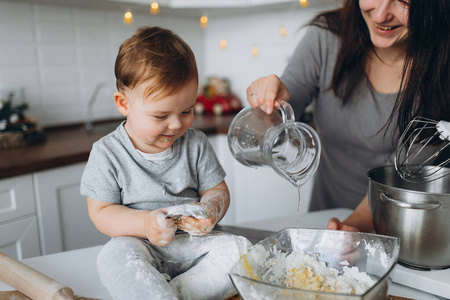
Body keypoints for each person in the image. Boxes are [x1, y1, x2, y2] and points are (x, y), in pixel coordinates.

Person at [246, 0, 450, 233]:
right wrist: (267, 103)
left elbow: (394, 181)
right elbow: (274, 119)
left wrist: (349, 228)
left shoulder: (442, 71)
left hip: (397, 231)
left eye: (403, 2)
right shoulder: (326, 38)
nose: (381, 15)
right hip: (325, 221)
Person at [80, 26, 251, 300]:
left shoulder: (195, 144)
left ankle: (172, 293)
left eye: (186, 111)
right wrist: (146, 223)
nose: (176, 124)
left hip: (196, 246)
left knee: (240, 249)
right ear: (124, 103)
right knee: (113, 257)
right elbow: (101, 212)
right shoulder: (107, 153)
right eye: (160, 116)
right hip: (140, 245)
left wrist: (210, 210)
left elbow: (217, 191)